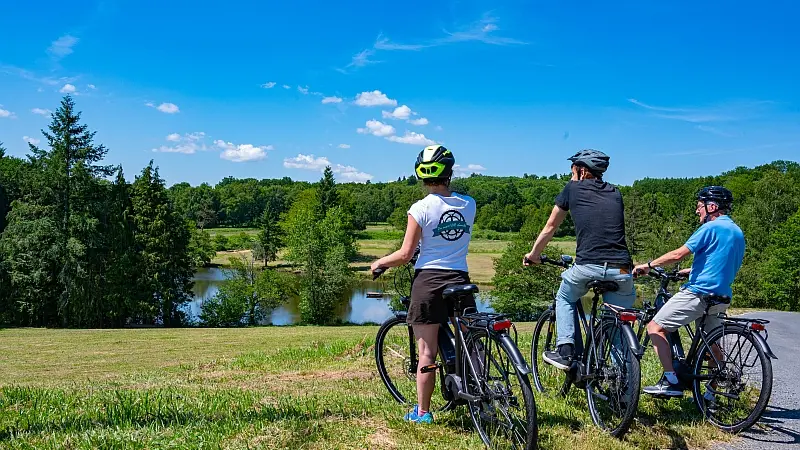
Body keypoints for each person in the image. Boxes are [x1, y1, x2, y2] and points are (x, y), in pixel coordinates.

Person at [371, 144, 476, 424]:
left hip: (429, 282)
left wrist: (380, 262)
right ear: (449, 173)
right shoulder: (469, 204)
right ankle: (477, 387)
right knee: (470, 341)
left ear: (421, 174)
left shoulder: (419, 208)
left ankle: (422, 413)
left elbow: (406, 254)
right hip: (460, 279)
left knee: (427, 351)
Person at [523, 149, 635, 370]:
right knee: (613, 321)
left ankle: (565, 351)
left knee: (565, 298)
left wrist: (533, 255)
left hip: (588, 266)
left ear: (582, 171)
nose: (570, 175)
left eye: (572, 170)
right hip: (622, 270)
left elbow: (551, 227)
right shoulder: (616, 192)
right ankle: (623, 381)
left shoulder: (572, 189)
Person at [634, 185, 744, 397]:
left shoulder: (710, 228)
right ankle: (711, 394)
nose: (697, 211)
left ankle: (670, 380)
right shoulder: (737, 232)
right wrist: (693, 270)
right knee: (711, 344)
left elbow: (677, 255)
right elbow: (723, 262)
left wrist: (648, 266)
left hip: (699, 293)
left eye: (700, 206)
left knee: (655, 327)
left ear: (712, 206)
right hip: (722, 296)